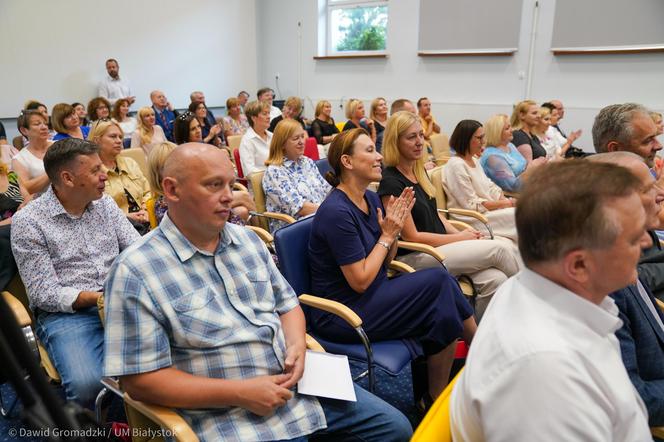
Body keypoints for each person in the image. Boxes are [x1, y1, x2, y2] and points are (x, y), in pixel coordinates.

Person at [103, 142, 412, 442]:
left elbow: (289, 305)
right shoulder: (137, 269)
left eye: (230, 185)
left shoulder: (246, 241)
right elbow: (140, 381)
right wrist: (239, 392)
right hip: (226, 412)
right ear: (172, 190)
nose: (229, 198)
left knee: (395, 428)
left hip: (297, 384)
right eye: (213, 186)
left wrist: (296, 347)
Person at [450, 160, 652, 441]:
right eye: (633, 238)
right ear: (579, 265)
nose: (647, 242)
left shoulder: (535, 293)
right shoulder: (544, 374)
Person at [309, 128, 477, 402]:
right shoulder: (336, 212)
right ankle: (474, 362)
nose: (378, 157)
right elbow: (360, 280)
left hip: (373, 295)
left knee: (442, 295)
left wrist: (393, 231)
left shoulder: (370, 198)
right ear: (347, 162)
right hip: (343, 314)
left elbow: (386, 259)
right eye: (369, 151)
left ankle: (439, 394)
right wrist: (386, 236)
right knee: (438, 282)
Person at [11, 138, 140, 408]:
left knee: (173, 359)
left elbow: (136, 251)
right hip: (69, 314)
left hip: (122, 299)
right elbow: (44, 293)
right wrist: (97, 299)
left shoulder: (104, 204)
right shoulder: (29, 222)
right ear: (67, 178)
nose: (105, 175)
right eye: (95, 171)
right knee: (87, 386)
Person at [378, 112, 519, 319]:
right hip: (417, 256)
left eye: (420, 135)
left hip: (440, 247)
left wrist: (464, 232)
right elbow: (412, 237)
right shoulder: (392, 183)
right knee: (500, 249)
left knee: (495, 279)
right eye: (411, 137)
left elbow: (437, 217)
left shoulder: (418, 173)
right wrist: (459, 238)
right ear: (394, 141)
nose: (419, 142)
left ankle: (481, 341)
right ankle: (534, 303)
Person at [588, 151, 664, 426]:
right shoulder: (603, 284)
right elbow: (633, 399)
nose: (659, 193)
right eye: (647, 188)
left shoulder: (619, 255)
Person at [592, 103, 664, 299]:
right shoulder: (601, 197)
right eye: (648, 140)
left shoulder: (634, 178)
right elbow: (626, 279)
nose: (658, 145)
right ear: (615, 148)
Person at [444, 120, 518, 242]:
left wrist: (504, 200)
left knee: (525, 213)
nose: (483, 142)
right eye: (479, 138)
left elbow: (490, 187)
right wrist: (507, 204)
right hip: (472, 219)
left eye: (483, 137)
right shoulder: (456, 165)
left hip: (485, 212)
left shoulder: (474, 160)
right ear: (466, 140)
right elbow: (471, 205)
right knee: (520, 216)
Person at [262, 119, 331, 231]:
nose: (302, 142)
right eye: (295, 138)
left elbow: (327, 190)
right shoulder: (275, 171)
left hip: (320, 219)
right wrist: (331, 211)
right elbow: (300, 208)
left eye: (302, 136)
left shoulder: (307, 162)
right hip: (296, 228)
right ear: (282, 143)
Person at [89, 120, 150, 230]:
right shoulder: (91, 171)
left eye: (120, 137)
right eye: (113, 136)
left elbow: (148, 192)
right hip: (113, 228)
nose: (119, 141)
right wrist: (125, 217)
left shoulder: (130, 163)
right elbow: (92, 210)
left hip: (145, 221)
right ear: (97, 140)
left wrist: (145, 210)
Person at [480, 114, 544, 192]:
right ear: (497, 132)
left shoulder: (510, 146)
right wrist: (532, 167)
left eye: (510, 126)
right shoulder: (492, 158)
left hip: (528, 188)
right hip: (512, 196)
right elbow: (513, 186)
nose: (511, 130)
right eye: (507, 128)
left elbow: (524, 167)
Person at [0, 159, 31, 291]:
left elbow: (28, 198)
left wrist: (25, 206)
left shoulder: (10, 174)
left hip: (23, 220)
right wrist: (15, 218)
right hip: (5, 228)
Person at [12, 110, 53, 195]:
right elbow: (25, 188)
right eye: (37, 124)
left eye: (45, 123)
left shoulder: (60, 145)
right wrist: (53, 172)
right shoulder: (19, 159)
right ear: (24, 130)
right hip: (41, 203)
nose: (44, 127)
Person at [239, 100, 273, 176]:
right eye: (264, 114)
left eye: (269, 113)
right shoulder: (247, 141)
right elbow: (249, 171)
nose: (269, 117)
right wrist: (272, 174)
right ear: (254, 118)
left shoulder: (272, 136)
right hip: (260, 183)